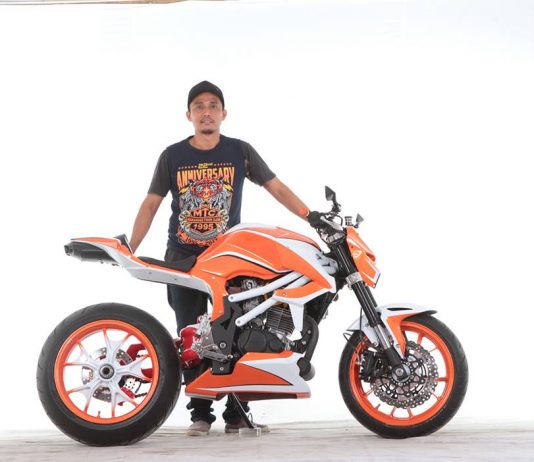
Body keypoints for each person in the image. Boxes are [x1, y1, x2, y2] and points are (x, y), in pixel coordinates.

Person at [129, 81, 311, 436]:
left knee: (240, 332)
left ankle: (236, 414)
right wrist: (130, 245)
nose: (206, 111)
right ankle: (200, 414)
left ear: (224, 113)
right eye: (198, 106)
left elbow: (275, 187)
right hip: (183, 257)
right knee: (193, 335)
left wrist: (311, 216)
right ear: (188, 115)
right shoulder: (172, 156)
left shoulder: (240, 151)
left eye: (213, 105)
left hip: (230, 258)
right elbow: (151, 203)